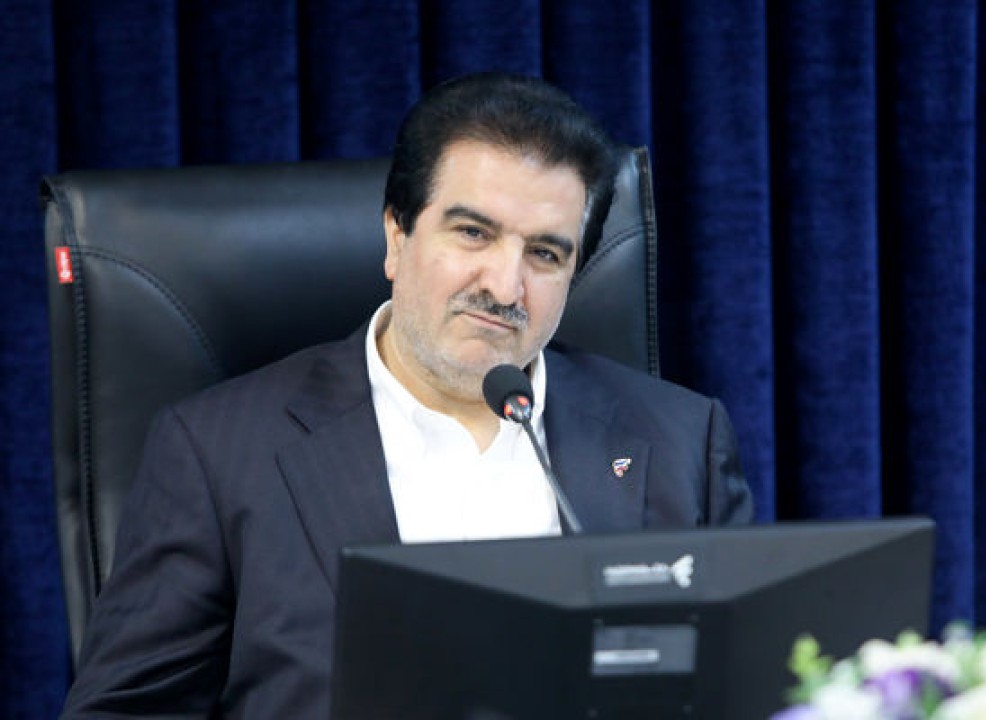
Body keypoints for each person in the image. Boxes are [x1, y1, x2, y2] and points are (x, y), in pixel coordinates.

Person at [61, 72, 752, 718]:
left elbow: (753, 690)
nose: (504, 286)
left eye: (545, 254)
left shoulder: (679, 442)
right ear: (397, 234)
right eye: (473, 233)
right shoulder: (218, 451)